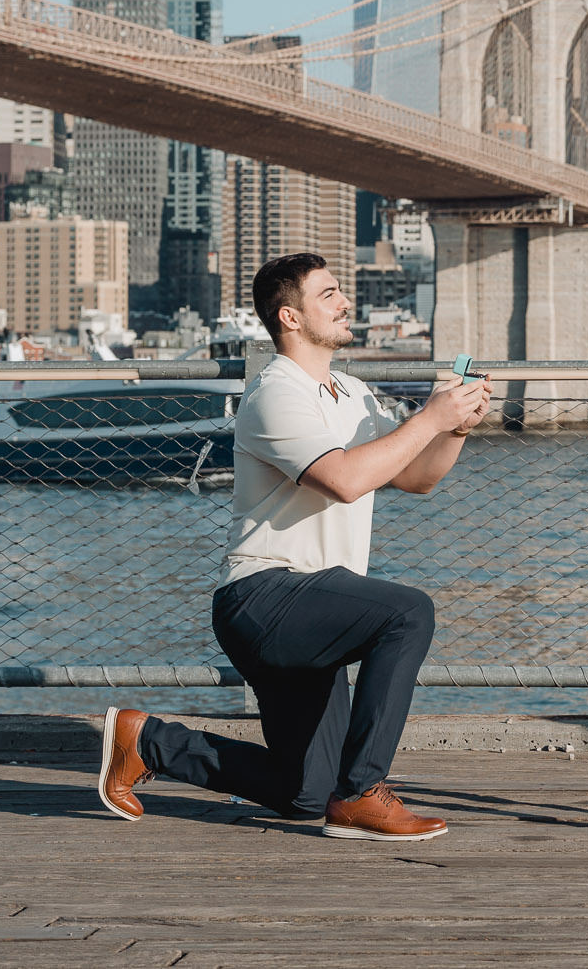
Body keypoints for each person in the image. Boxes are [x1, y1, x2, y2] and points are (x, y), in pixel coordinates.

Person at [96, 251, 489, 841]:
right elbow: (345, 480)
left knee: (305, 791)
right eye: (328, 294)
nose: (345, 302)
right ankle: (363, 794)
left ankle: (145, 741)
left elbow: (418, 477)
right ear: (290, 317)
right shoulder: (274, 393)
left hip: (317, 607)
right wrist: (428, 420)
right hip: (264, 597)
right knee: (409, 612)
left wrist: (455, 426)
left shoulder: (353, 394)